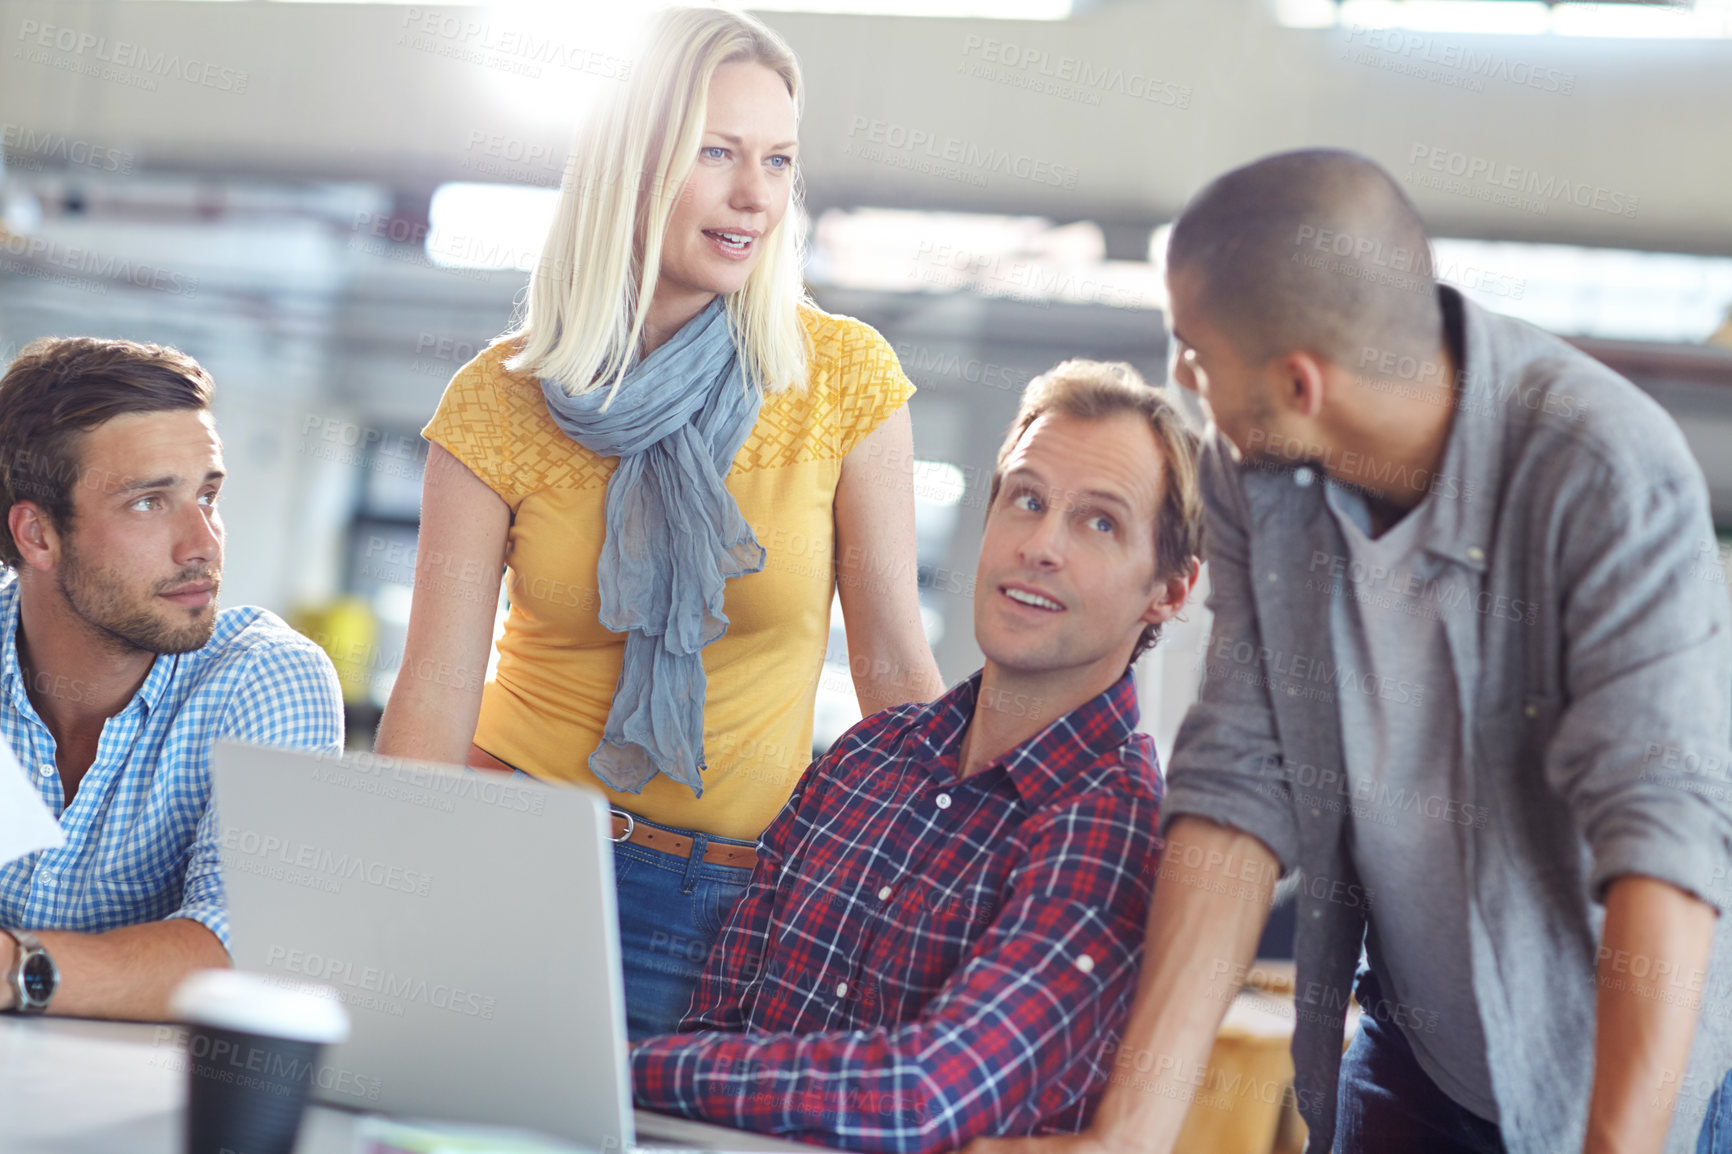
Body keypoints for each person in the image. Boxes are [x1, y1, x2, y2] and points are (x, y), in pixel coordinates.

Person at [970, 149, 1732, 1154]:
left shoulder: (1600, 472)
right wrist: (1128, 1132)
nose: (1182, 378)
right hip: (1419, 1055)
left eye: (1194, 352)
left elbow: (1663, 839)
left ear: (1298, 381)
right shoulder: (1253, 474)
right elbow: (1240, 779)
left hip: (1631, 1081)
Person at [373, 4, 943, 1040]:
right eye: (716, 153)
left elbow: (896, 672)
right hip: (520, 858)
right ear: (631, 166)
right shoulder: (499, 399)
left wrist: (945, 887)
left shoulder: (843, 379)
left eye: (777, 160)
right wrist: (392, 902)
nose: (752, 194)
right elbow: (438, 684)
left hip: (744, 901)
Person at [632, 360, 1202, 1153]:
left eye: (1099, 523)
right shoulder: (866, 760)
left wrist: (617, 1067)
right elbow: (717, 1021)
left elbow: (921, 1099)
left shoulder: (1112, 824)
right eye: (1027, 500)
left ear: (1169, 590)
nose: (1041, 545)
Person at [0, 336, 345, 1021]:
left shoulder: (268, 679)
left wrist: (16, 970)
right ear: (37, 536)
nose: (203, 544)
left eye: (208, 496)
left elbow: (244, 955)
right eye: (149, 503)